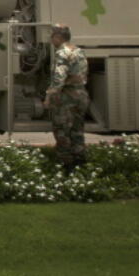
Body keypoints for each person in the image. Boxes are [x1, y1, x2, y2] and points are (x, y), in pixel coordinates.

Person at [43, 24, 88, 171]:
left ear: (58, 37)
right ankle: (80, 161)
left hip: (66, 98)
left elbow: (59, 78)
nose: (51, 40)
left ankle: (66, 166)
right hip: (80, 95)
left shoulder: (61, 53)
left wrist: (49, 96)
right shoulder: (78, 51)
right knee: (77, 130)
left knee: (62, 131)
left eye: (52, 36)